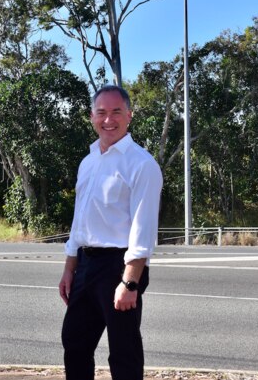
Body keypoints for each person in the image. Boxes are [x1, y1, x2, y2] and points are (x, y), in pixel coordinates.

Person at [59, 85, 163, 380]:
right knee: (75, 342)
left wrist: (130, 283)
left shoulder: (142, 164)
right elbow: (80, 222)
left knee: (124, 351)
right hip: (86, 265)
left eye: (116, 112)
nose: (108, 119)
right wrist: (70, 269)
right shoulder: (88, 161)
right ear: (92, 116)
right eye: (101, 112)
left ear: (129, 115)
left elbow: (143, 229)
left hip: (119, 267)